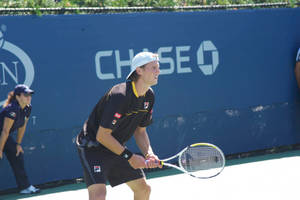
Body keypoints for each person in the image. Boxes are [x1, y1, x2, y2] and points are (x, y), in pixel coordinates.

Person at [76, 51, 161, 200]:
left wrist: (149, 154)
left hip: (116, 146)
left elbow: (140, 132)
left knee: (144, 189)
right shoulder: (119, 95)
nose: (158, 71)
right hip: (92, 147)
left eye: (158, 67)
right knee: (99, 195)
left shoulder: (149, 96)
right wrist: (130, 156)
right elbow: (102, 136)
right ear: (139, 71)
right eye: (153, 68)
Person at [0, 84, 40, 194]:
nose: (29, 97)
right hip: (3, 134)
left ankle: (25, 187)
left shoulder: (28, 108)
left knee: (17, 154)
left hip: (5, 136)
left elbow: (22, 126)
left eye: (30, 94)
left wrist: (18, 144)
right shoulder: (12, 109)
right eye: (25, 94)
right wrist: (0, 149)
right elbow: (4, 131)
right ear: (17, 97)